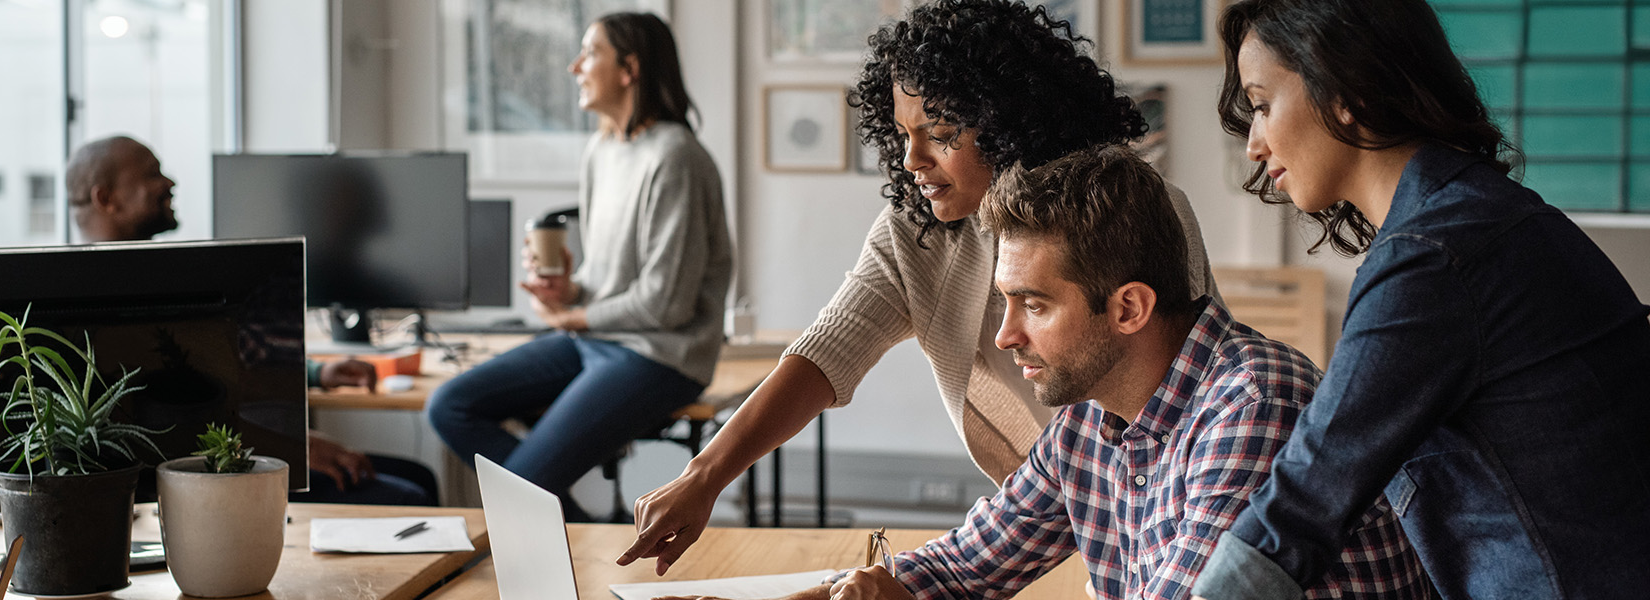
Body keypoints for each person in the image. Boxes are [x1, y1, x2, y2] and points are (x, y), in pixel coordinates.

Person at [623, 0, 1219, 572]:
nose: (911, 159)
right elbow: (826, 352)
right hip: (1044, 508)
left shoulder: (1129, 212)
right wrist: (704, 476)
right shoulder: (919, 232)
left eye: (940, 133)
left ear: (1012, 121)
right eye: (903, 133)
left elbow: (1184, 389)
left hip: (1168, 500)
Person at [675, 147, 1428, 600]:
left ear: (1128, 306)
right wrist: (890, 584)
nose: (1004, 337)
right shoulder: (1090, 416)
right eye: (1006, 303)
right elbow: (973, 561)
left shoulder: (1253, 406)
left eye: (1032, 305)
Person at [1189, 1, 1650, 598]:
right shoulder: (1476, 215)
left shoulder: (1436, 257)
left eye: (1262, 105)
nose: (1254, 144)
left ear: (1342, 90)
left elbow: (1307, 496)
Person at [425, 12, 733, 522]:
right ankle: (579, 535)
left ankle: (565, 540)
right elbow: (609, 282)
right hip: (597, 341)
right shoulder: (601, 151)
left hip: (660, 356)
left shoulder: (676, 157)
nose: (574, 67)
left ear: (629, 68)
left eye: (589, 53)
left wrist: (572, 317)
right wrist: (569, 291)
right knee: (449, 405)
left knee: (521, 486)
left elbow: (666, 302)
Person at [66, 135, 434, 506]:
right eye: (151, 175)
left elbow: (217, 370)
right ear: (106, 199)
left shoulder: (150, 280)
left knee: (419, 477)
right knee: (411, 495)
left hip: (241, 451)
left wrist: (317, 375)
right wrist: (291, 450)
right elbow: (172, 427)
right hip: (206, 478)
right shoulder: (99, 304)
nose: (170, 183)